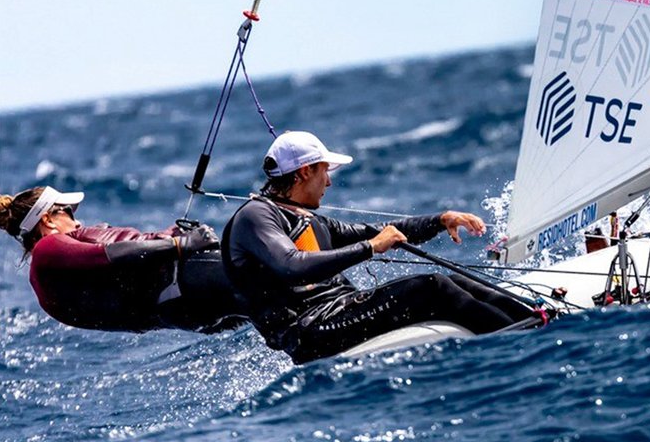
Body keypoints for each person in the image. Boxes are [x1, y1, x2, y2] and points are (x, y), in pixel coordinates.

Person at [221, 131, 541, 363]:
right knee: (432, 287)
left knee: (452, 280)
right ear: (305, 171)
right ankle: (518, 346)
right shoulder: (255, 216)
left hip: (340, 310)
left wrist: (440, 220)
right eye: (324, 171)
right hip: (309, 331)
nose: (329, 182)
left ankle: (537, 322)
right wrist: (371, 248)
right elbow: (291, 264)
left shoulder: (307, 218)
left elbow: (382, 232)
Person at [0, 186, 249, 333]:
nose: (77, 221)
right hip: (185, 283)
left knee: (267, 308)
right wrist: (180, 244)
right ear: (47, 219)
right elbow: (112, 255)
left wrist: (168, 234)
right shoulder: (47, 249)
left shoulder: (47, 286)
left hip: (180, 311)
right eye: (67, 211)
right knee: (268, 280)